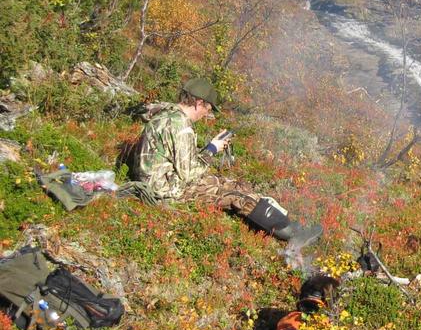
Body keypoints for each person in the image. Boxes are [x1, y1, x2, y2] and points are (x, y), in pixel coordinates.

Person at [131, 77, 322, 246]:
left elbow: (178, 160)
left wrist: (208, 149)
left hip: (160, 181)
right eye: (207, 108)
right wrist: (212, 150)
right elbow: (188, 173)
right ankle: (290, 234)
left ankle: (286, 222)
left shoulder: (167, 115)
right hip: (165, 192)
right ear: (198, 102)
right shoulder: (181, 127)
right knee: (235, 196)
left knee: (230, 183)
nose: (206, 114)